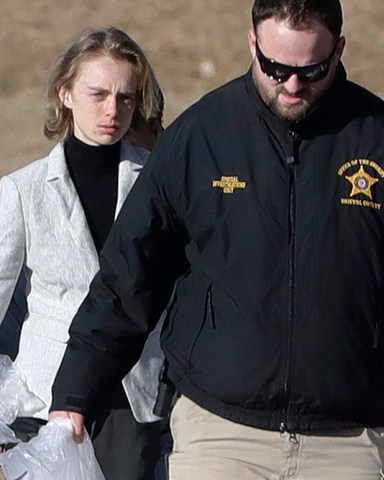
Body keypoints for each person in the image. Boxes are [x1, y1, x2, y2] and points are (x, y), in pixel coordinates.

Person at [50, 1, 384, 478]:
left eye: (311, 69)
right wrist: (75, 392)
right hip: (220, 434)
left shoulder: (374, 137)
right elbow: (130, 276)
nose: (292, 84)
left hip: (350, 440)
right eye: (275, 67)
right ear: (252, 43)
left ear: (339, 50)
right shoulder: (201, 137)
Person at [0, 26, 165, 479]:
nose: (112, 110)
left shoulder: (159, 180)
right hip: (43, 403)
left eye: (126, 98)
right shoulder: (20, 191)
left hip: (132, 399)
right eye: (97, 94)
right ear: (65, 94)